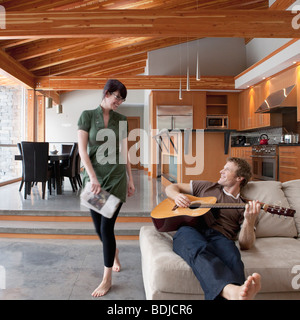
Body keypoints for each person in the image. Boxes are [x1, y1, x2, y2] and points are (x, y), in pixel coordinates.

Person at [165, 157, 262, 300]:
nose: (221, 171)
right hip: (191, 230)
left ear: (239, 178)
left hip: (221, 237)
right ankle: (232, 291)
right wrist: (177, 196)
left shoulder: (244, 206)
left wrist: (249, 219)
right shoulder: (206, 187)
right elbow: (171, 187)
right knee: (197, 248)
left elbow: (245, 244)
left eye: (227, 169)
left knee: (233, 259)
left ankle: (235, 292)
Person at [77, 79, 135, 297]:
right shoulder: (87, 116)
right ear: (106, 93)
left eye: (122, 99)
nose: (119, 102)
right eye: (117, 97)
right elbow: (82, 151)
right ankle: (114, 252)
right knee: (98, 228)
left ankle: (106, 278)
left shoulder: (122, 120)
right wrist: (92, 177)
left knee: (106, 228)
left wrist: (131, 179)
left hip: (116, 178)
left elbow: (124, 152)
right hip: (94, 180)